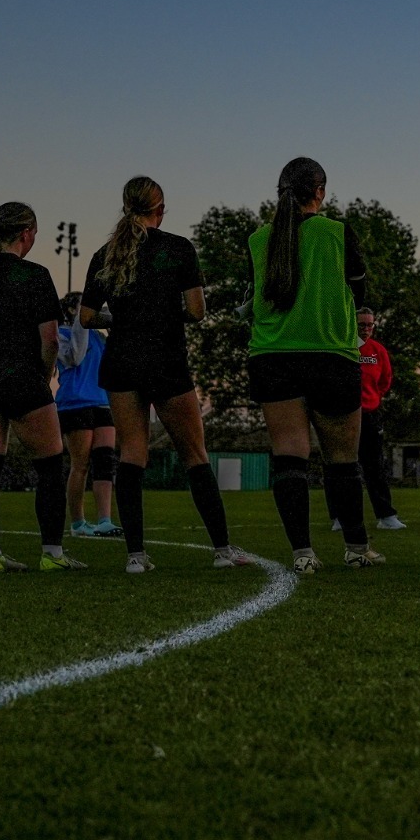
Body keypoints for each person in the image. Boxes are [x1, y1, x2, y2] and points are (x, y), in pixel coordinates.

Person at [80, 176, 250, 573]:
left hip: (122, 360)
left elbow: (87, 316)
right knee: (194, 454)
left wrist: (121, 318)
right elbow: (195, 310)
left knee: (131, 454)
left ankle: (136, 556)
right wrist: (159, 314)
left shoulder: (105, 253)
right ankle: (223, 550)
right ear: (161, 208)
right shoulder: (177, 248)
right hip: (166, 359)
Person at [248, 157, 379, 573]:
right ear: (320, 191)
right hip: (330, 353)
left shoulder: (258, 239)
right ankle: (357, 548)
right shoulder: (337, 232)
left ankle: (302, 554)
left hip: (272, 355)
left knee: (290, 457)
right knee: (342, 458)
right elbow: (360, 293)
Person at [0, 201, 77, 573]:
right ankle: (52, 554)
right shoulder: (35, 274)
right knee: (51, 466)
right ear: (26, 233)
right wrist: (42, 373)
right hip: (20, 374)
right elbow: (50, 338)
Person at [54, 293, 118, 537]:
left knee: (105, 462)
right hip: (75, 403)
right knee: (80, 465)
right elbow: (75, 356)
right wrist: (81, 321)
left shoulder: (98, 337)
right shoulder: (62, 333)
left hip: (102, 401)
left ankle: (105, 519)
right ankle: (78, 523)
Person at [355, 309, 406, 530]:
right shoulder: (343, 346)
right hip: (345, 414)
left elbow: (385, 380)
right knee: (342, 466)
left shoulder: (378, 351)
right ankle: (340, 516)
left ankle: (386, 516)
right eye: (361, 325)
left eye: (370, 325)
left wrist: (373, 399)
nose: (366, 329)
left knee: (374, 465)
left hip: (370, 415)